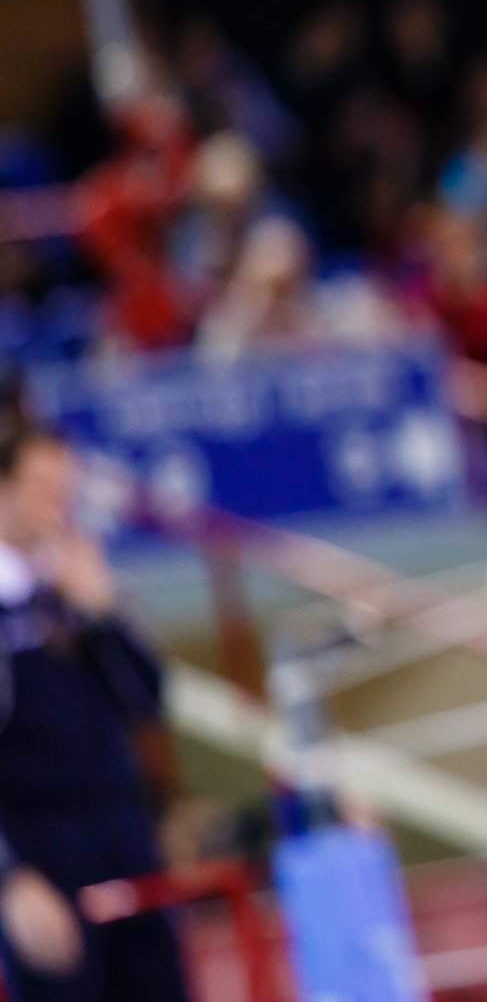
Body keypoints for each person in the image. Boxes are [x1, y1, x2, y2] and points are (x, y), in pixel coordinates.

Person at [0, 422, 188, 1002]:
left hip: (126, 847)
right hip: (44, 862)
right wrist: (9, 880)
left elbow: (148, 700)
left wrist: (104, 612)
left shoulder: (79, 587)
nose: (59, 505)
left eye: (67, 490)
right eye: (44, 489)